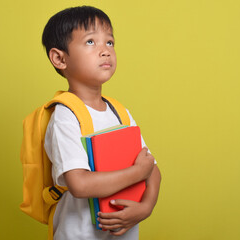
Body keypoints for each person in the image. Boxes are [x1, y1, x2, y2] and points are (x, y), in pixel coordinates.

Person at [42, 6, 161, 240]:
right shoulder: (65, 116)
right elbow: (80, 185)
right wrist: (138, 171)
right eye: (90, 42)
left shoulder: (119, 112)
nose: (105, 51)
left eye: (109, 42)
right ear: (59, 58)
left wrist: (146, 207)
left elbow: (152, 168)